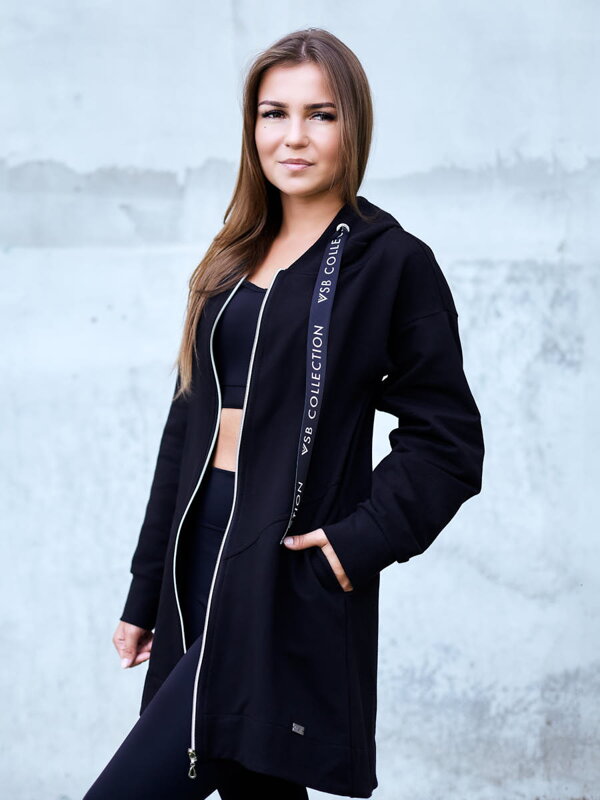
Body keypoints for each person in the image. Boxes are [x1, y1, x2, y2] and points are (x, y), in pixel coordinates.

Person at [83, 27, 485, 800]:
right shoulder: (232, 256)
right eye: (274, 113)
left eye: (320, 114)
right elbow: (185, 431)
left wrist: (353, 544)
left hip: (281, 559)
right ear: (252, 125)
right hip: (199, 545)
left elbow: (448, 442)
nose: (293, 136)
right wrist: (145, 589)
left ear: (352, 125)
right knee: (253, 785)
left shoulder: (391, 262)